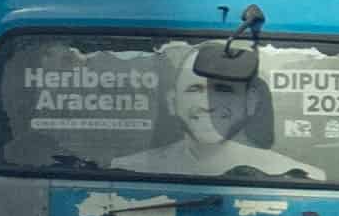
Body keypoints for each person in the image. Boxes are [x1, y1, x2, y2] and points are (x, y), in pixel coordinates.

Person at [114, 42, 309, 180]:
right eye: (194, 89)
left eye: (224, 90)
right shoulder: (126, 169)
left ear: (251, 102)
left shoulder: (296, 174)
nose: (207, 105)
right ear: (173, 102)